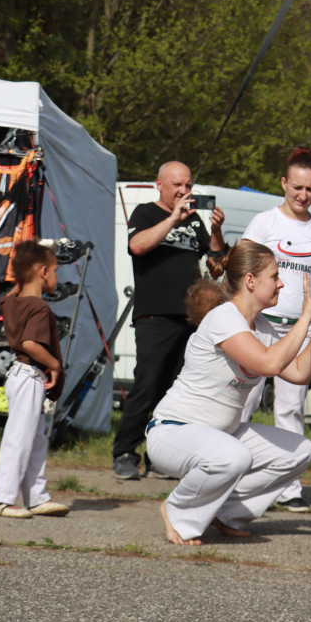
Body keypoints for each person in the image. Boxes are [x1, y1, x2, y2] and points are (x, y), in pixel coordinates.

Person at [146, 241, 311, 545]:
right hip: (172, 433)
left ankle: (224, 512)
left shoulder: (263, 327)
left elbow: (298, 372)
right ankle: (178, 511)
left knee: (299, 451)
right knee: (234, 456)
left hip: (223, 437)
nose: (281, 282)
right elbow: (270, 363)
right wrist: (306, 317)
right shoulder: (223, 319)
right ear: (251, 281)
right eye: (275, 276)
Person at [113, 161, 226, 480]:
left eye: (188, 185)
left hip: (191, 318)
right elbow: (136, 246)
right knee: (147, 384)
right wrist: (173, 217)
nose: (183, 191)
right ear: (159, 185)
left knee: (177, 392)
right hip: (155, 313)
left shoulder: (194, 222)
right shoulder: (146, 213)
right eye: (177, 185)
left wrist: (216, 230)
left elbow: (217, 265)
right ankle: (124, 451)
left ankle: (162, 456)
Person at [239, 147, 311, 512]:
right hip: (260, 326)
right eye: (296, 187)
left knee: (290, 408)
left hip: (300, 330)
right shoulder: (265, 223)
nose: (302, 195)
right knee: (243, 403)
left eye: (310, 189)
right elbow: (241, 269)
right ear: (283, 183)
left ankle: (288, 485)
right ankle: (232, 474)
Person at [0, 240, 70, 519]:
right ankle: (2, 499)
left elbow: (12, 292)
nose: (57, 277)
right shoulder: (39, 308)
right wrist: (55, 365)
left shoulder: (12, 301)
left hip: (21, 375)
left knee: (35, 439)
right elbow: (31, 343)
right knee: (19, 439)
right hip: (29, 375)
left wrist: (24, 267)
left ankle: (37, 497)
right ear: (44, 272)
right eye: (56, 270)